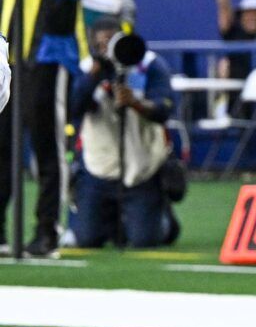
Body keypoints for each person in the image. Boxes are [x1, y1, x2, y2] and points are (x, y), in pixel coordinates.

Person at [0, 0, 87, 257]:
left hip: (48, 56)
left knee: (46, 147)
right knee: (1, 145)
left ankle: (47, 231)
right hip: (7, 59)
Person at [67, 15, 176, 248]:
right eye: (101, 45)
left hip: (140, 167)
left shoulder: (147, 64)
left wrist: (136, 103)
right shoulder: (86, 68)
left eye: (112, 42)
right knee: (86, 239)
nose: (108, 51)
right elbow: (73, 107)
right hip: (99, 167)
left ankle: (162, 217)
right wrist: (94, 76)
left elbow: (164, 109)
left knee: (145, 240)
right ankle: (110, 219)